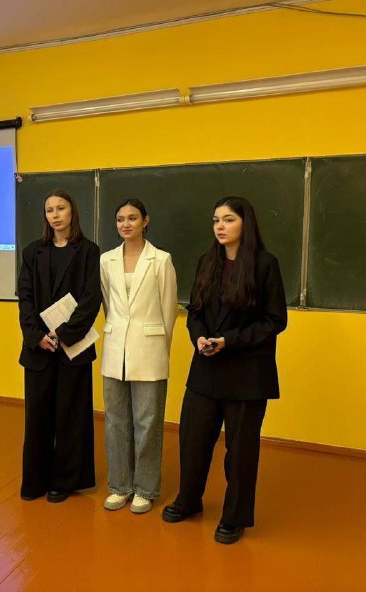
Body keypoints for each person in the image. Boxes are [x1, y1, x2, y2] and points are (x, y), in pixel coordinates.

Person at [162, 196, 287, 544]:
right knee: (192, 439)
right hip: (206, 368)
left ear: (246, 223)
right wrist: (200, 337)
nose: (220, 226)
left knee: (241, 450)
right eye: (216, 220)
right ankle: (189, 500)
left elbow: (275, 320)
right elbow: (195, 310)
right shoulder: (207, 261)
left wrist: (228, 340)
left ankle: (234, 517)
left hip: (247, 373)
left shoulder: (265, 264)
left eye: (228, 219)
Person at [17, 189, 102, 503]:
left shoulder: (89, 251)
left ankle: (65, 481)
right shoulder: (32, 252)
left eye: (61, 208)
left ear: (72, 212)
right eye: (49, 210)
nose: (55, 215)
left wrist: (63, 334)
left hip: (72, 346)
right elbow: (25, 298)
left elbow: (91, 299)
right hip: (38, 347)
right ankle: (36, 480)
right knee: (38, 416)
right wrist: (35, 335)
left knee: (70, 416)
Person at [100, 199, 177, 514]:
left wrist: (159, 347)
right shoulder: (106, 260)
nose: (126, 224)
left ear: (145, 221)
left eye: (132, 218)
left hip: (150, 350)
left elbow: (169, 309)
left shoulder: (161, 260)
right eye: (120, 219)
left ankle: (145, 488)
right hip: (114, 348)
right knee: (115, 422)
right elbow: (109, 304)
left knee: (148, 423)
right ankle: (120, 486)